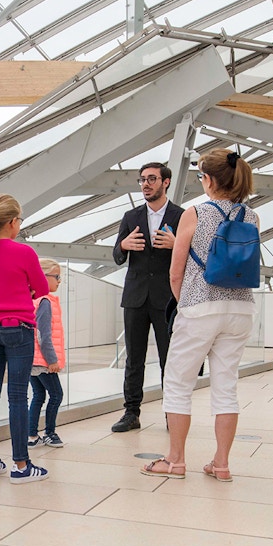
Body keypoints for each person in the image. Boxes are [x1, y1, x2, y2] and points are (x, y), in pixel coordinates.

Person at [140, 149, 258, 482]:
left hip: (200, 306)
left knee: (178, 383)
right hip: (241, 308)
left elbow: (176, 273)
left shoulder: (195, 212)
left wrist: (186, 304)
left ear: (208, 179)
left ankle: (175, 461)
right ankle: (221, 464)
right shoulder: (252, 216)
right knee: (226, 387)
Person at [0, 194, 51, 484]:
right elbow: (41, 288)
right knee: (18, 395)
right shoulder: (24, 253)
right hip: (18, 329)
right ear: (13, 222)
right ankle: (21, 466)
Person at [110, 162, 184, 432]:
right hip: (135, 297)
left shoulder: (182, 216)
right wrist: (123, 245)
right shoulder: (131, 216)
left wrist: (177, 245)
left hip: (167, 300)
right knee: (134, 358)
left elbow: (195, 256)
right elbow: (117, 256)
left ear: (166, 182)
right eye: (142, 180)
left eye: (152, 179)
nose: (146, 184)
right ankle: (131, 413)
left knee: (170, 359)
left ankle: (171, 414)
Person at [28, 258, 65, 449]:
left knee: (38, 395)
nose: (59, 281)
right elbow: (43, 335)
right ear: (43, 276)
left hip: (32, 359)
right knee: (57, 394)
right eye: (57, 276)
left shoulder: (33, 299)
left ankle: (31, 435)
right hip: (43, 361)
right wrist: (52, 360)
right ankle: (49, 432)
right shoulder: (45, 302)